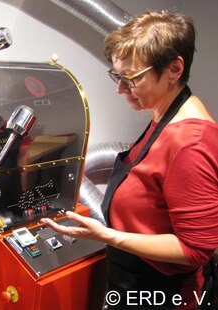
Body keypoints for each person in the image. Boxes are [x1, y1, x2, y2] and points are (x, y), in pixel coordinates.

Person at [41, 11, 218, 310]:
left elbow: (195, 249)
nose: (120, 89)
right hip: (135, 281)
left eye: (131, 79)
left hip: (166, 295)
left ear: (174, 68)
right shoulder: (163, 113)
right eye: (117, 76)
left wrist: (109, 236)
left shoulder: (192, 144)